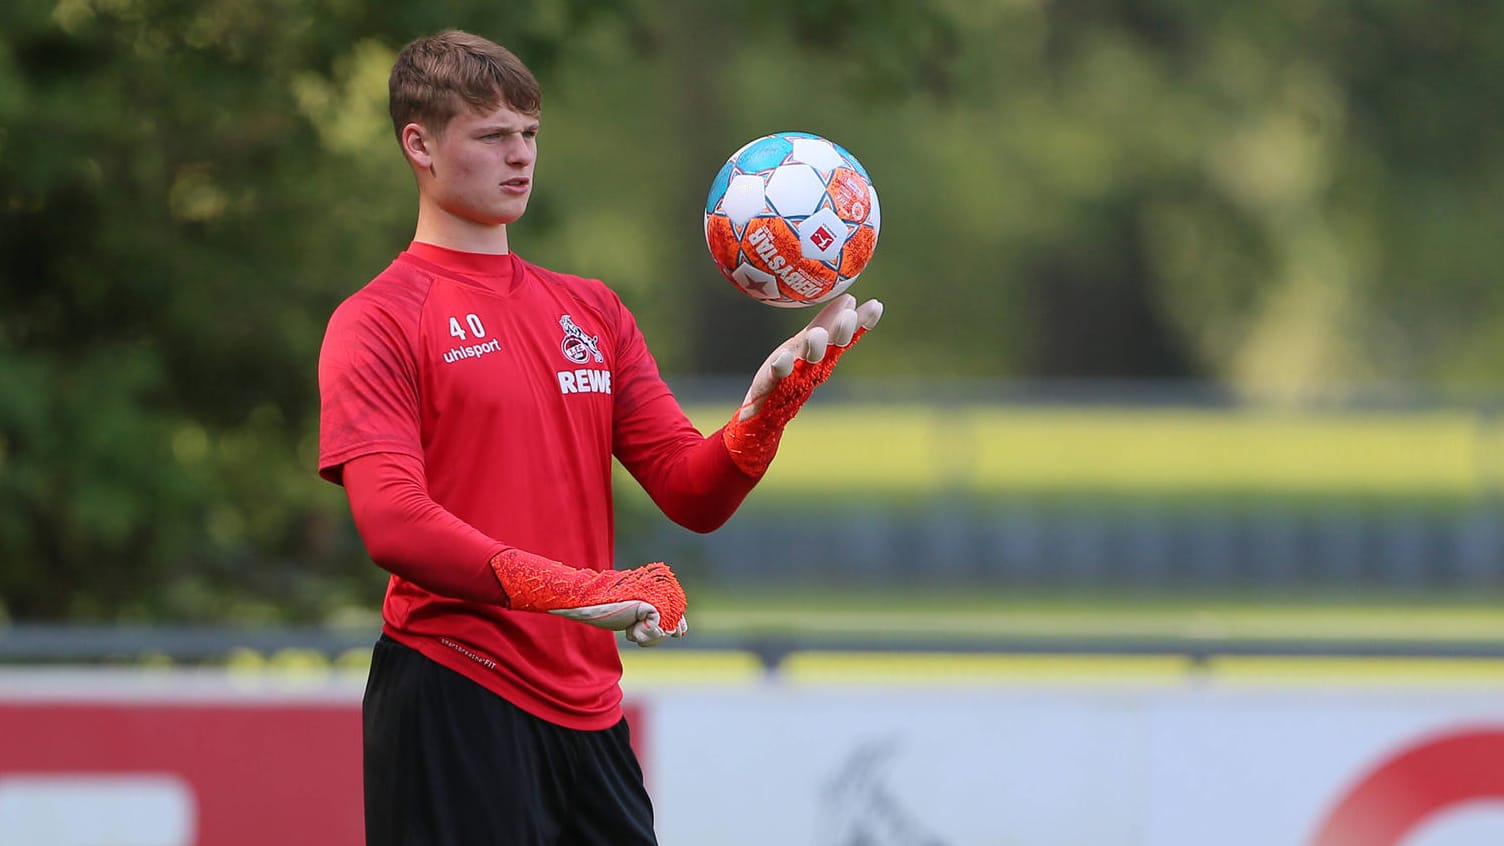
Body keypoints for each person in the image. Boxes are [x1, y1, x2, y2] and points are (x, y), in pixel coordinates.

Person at [317, 28, 882, 846]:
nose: (521, 157)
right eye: (492, 136)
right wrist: (575, 590)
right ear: (420, 145)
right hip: (454, 691)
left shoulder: (590, 309)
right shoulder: (377, 319)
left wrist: (770, 407)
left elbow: (691, 492)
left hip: (589, 712)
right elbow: (392, 521)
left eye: (531, 135)